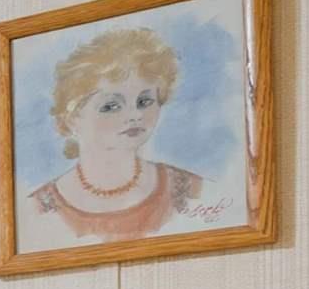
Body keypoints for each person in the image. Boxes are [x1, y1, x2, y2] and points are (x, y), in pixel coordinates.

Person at [31, 25, 208, 240]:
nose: (135, 115)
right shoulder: (38, 210)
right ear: (71, 119)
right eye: (111, 106)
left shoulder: (191, 191)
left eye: (145, 101)